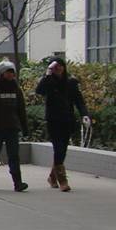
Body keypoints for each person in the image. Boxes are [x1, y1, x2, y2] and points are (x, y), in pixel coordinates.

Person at [36, 57, 90, 192]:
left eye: (60, 66)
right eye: (54, 67)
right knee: (58, 148)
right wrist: (47, 74)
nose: (58, 69)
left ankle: (52, 177)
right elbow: (39, 91)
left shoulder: (71, 83)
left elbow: (79, 101)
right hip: (53, 121)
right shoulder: (49, 82)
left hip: (67, 120)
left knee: (63, 149)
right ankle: (62, 180)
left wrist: (85, 114)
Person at [0, 59, 29, 192]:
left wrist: (24, 128)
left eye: (12, 72)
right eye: (7, 72)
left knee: (14, 155)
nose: (10, 75)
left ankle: (18, 182)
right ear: (1, 74)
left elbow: (21, 110)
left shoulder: (17, 90)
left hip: (12, 128)